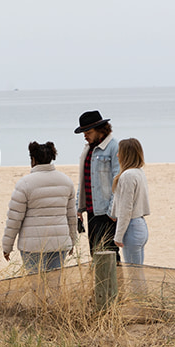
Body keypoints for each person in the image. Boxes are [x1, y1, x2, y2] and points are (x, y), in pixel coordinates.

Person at [2, 141, 77, 272]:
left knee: (36, 285)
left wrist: (7, 247)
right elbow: (71, 216)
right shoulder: (66, 181)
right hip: (60, 242)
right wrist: (72, 241)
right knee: (55, 285)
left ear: (33, 159)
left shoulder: (24, 184)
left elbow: (14, 219)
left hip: (32, 246)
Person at [74, 110, 121, 262]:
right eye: (83, 132)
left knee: (110, 253)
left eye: (88, 131)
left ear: (101, 129)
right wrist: (79, 207)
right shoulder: (88, 149)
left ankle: (114, 285)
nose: (85, 135)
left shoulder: (114, 147)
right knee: (95, 253)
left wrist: (112, 211)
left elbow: (118, 180)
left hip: (106, 213)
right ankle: (100, 285)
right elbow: (84, 179)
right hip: (91, 211)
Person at [112, 138, 150, 264]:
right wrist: (113, 213)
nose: (117, 155)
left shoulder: (128, 175)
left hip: (132, 227)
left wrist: (118, 236)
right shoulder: (139, 172)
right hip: (140, 225)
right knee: (138, 272)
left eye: (120, 152)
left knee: (134, 275)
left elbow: (126, 208)